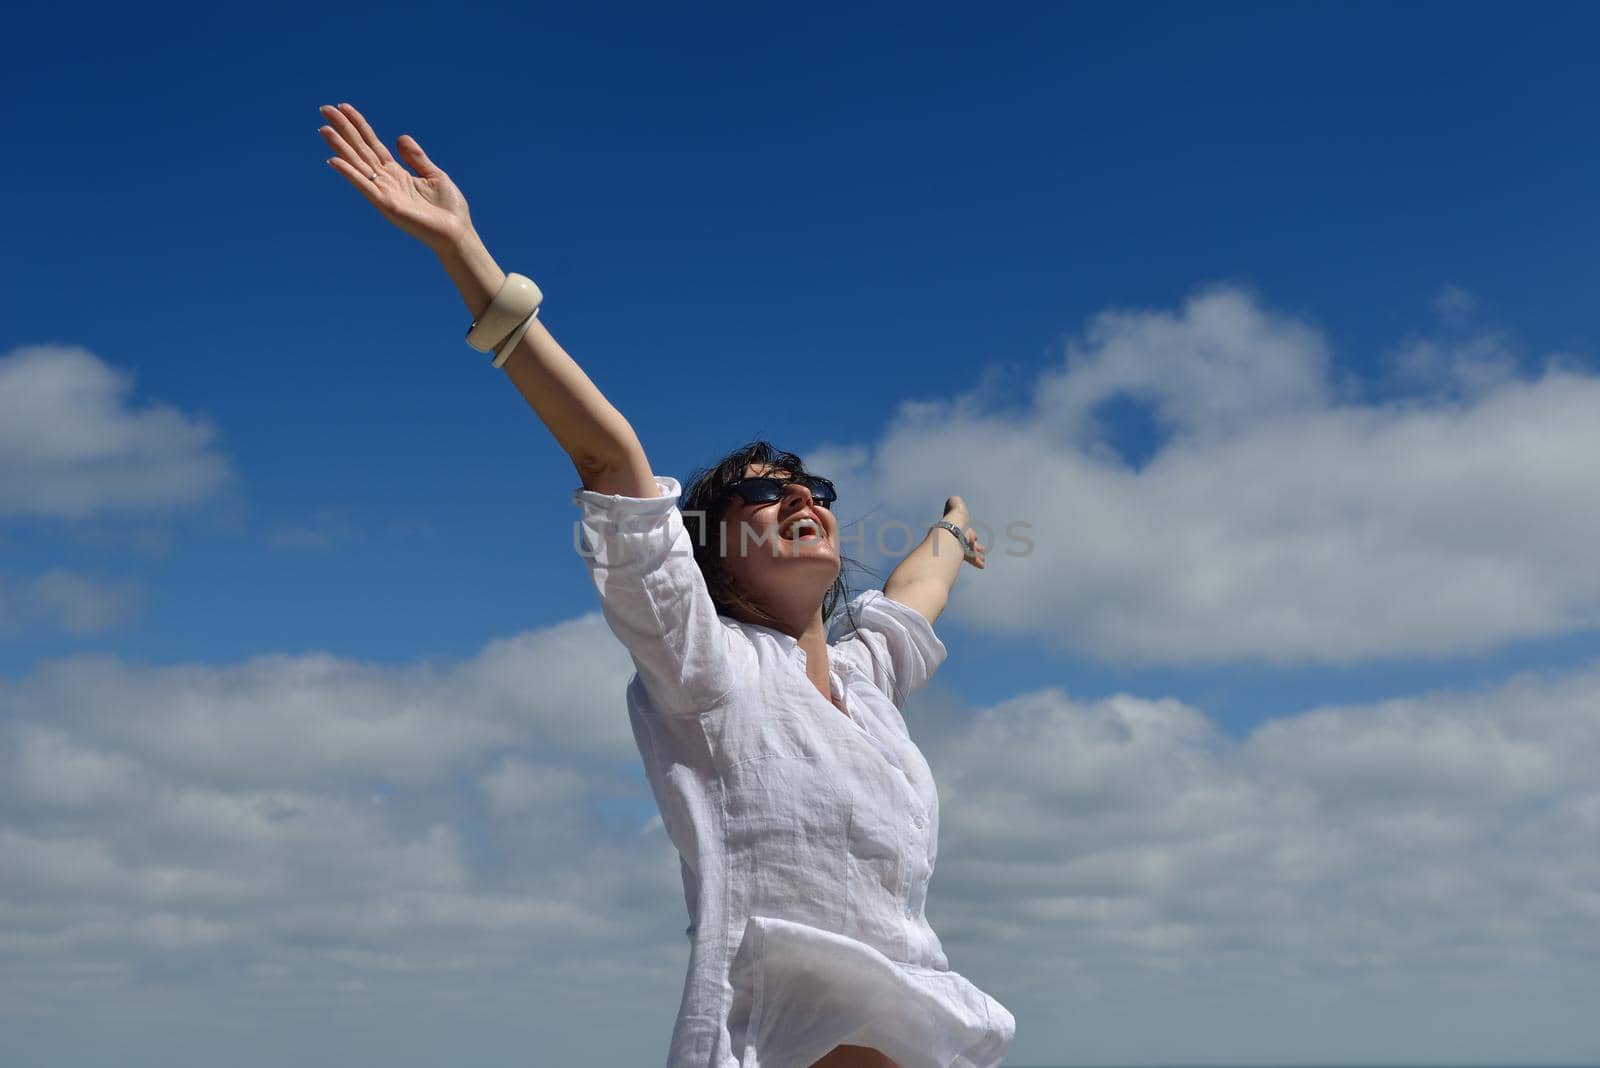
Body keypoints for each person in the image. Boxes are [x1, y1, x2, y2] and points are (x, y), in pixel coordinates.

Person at [318, 101, 1016, 1068]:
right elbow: (610, 463)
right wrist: (468, 257)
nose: (798, 498)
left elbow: (917, 592)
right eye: (763, 494)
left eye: (812, 488)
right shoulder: (707, 666)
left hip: (929, 1034)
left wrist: (952, 528)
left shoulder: (865, 685)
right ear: (709, 556)